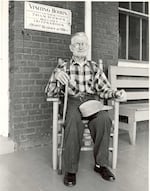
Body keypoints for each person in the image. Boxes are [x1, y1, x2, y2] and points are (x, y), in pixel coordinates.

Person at [45, 32, 126, 186]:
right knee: (73, 122)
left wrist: (116, 93)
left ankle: (101, 165)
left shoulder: (94, 67)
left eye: (84, 43)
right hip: (72, 101)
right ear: (71, 47)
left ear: (88, 47)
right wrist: (56, 77)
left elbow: (104, 90)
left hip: (91, 101)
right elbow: (49, 93)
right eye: (77, 43)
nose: (81, 46)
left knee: (104, 119)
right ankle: (70, 170)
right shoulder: (63, 67)